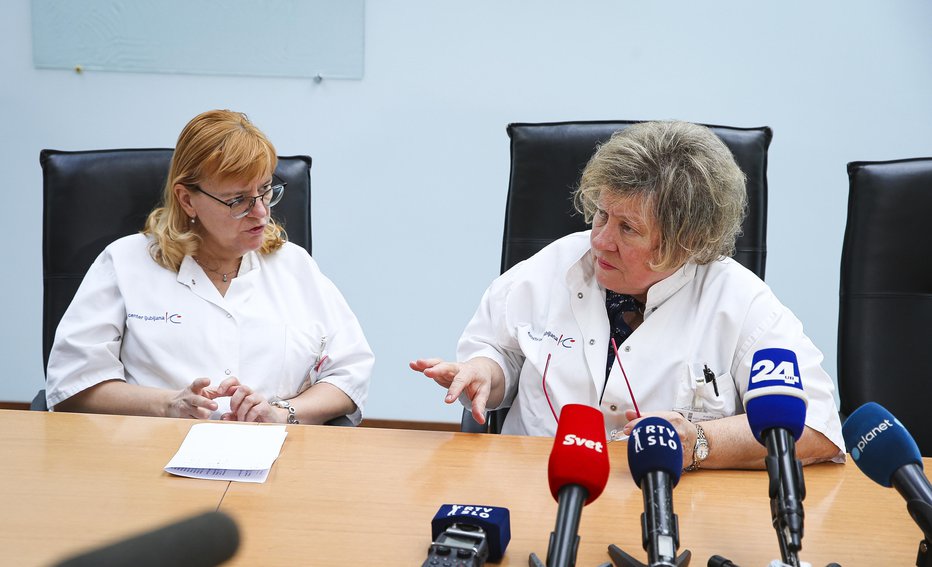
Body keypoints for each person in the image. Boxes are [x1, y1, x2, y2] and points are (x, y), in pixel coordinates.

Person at [412, 120, 843, 469]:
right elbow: (500, 348)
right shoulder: (553, 266)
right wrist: (486, 372)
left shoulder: (739, 301)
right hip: (535, 487)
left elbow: (816, 429)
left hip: (670, 505)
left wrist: (700, 441)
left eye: (627, 229)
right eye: (601, 214)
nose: (599, 240)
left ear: (686, 241)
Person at [46, 109, 373, 425]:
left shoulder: (294, 265)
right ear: (187, 199)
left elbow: (350, 372)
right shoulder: (125, 262)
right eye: (239, 200)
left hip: (273, 458)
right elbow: (72, 385)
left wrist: (281, 412)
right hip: (149, 457)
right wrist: (168, 405)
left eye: (265, 191)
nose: (260, 212)